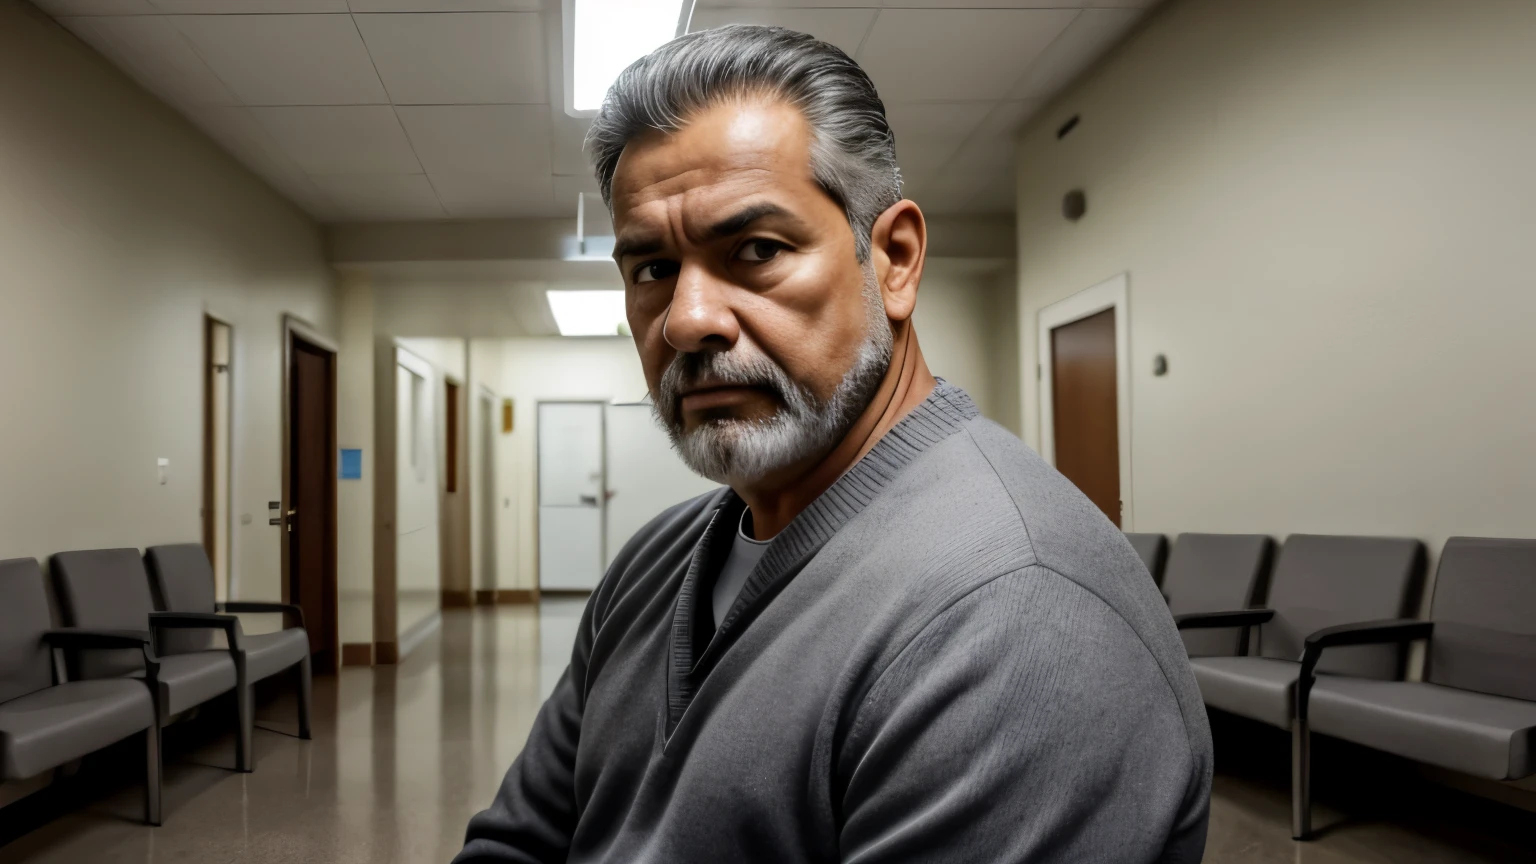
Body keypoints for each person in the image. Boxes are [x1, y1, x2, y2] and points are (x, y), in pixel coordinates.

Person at [456, 24, 1211, 864]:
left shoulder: (1016, 613)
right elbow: (515, 845)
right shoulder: (652, 564)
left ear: (893, 259)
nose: (687, 320)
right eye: (652, 270)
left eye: (756, 250)